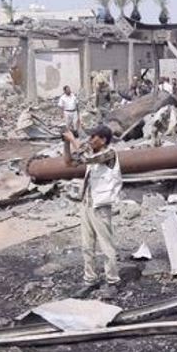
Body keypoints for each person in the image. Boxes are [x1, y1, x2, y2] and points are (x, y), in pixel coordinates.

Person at [63, 125, 122, 297]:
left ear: (103, 140)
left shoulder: (110, 154)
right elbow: (68, 163)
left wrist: (73, 140)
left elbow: (89, 160)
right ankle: (90, 279)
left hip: (101, 205)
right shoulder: (92, 154)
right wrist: (66, 144)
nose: (90, 140)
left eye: (93, 136)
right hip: (87, 203)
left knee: (106, 245)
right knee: (87, 245)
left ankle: (113, 280)